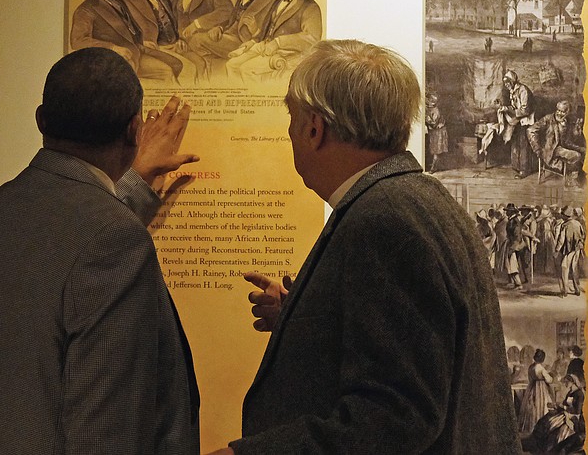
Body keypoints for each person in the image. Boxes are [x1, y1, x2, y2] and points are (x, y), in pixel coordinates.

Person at [209, 39, 522, 454]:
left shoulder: (385, 220)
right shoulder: (419, 201)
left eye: (292, 116)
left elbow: (397, 414)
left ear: (314, 127)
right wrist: (306, 317)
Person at [0, 48, 201, 454]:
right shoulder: (115, 238)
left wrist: (132, 183)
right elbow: (106, 435)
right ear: (134, 131)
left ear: (41, 119)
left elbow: (67, 249)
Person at [70, 0, 183, 83]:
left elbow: (131, 28)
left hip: (137, 48)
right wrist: (113, 48)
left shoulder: (117, 1)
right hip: (118, 58)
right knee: (167, 71)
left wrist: (142, 41)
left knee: (176, 64)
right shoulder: (86, 9)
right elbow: (78, 41)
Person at [186, 0, 283, 79]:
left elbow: (272, 28)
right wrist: (220, 28)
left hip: (245, 41)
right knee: (196, 40)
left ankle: (213, 69)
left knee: (197, 39)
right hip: (229, 34)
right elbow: (232, 17)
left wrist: (255, 31)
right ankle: (214, 70)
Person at [225, 0, 322, 83]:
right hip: (264, 46)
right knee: (231, 65)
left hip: (286, 52)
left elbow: (312, 38)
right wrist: (251, 42)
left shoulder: (310, 6)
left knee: (246, 69)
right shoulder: (278, 0)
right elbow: (267, 29)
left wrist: (278, 42)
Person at [115, 0, 185, 79]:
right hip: (148, 50)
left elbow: (174, 24)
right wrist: (140, 41)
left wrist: (179, 39)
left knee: (199, 66)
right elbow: (118, 32)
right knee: (183, 69)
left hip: (173, 46)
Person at [171, 0, 233, 79]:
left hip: (203, 42)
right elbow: (173, 15)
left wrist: (197, 24)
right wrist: (178, 38)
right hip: (181, 42)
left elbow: (226, 11)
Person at [527, 100, 585, 188]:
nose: (559, 113)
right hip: (552, 149)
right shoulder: (548, 119)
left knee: (584, 151)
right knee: (576, 155)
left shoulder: (568, 121)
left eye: (563, 111)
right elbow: (530, 130)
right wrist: (537, 148)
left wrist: (577, 131)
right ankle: (571, 179)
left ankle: (577, 176)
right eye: (558, 110)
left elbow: (570, 139)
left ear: (567, 112)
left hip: (565, 145)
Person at [497, 70, 535, 179]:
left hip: (526, 120)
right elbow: (514, 107)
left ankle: (524, 170)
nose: (507, 85)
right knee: (515, 142)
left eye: (508, 82)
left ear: (513, 81)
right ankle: (516, 166)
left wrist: (511, 111)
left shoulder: (523, 90)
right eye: (505, 83)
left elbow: (525, 110)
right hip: (518, 119)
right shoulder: (512, 90)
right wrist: (506, 108)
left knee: (523, 144)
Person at [517, 349, 554, 434]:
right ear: (542, 359)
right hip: (541, 388)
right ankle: (539, 428)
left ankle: (530, 427)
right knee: (540, 406)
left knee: (532, 406)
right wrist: (551, 377)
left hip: (532, 387)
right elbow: (549, 380)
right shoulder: (541, 368)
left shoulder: (531, 367)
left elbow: (529, 378)